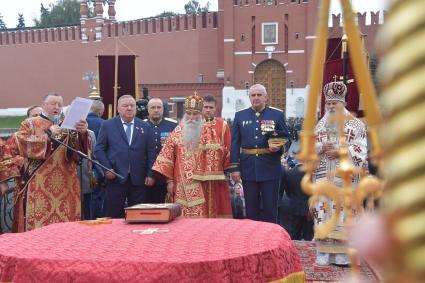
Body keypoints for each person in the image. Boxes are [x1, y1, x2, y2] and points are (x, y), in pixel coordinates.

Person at [14, 93, 89, 231]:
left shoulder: (68, 125)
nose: (57, 107)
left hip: (66, 182)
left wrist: (83, 133)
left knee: (65, 226)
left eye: (60, 104)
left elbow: (77, 153)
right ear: (43, 105)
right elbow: (22, 143)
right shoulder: (30, 123)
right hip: (40, 181)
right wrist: (47, 135)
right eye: (53, 104)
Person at [313, 81, 368, 266]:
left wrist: (340, 151)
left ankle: (343, 254)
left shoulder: (356, 125)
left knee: (343, 216)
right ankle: (324, 253)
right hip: (323, 178)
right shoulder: (320, 125)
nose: (330, 106)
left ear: (343, 103)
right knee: (323, 214)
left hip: (345, 179)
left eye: (334, 103)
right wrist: (320, 147)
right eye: (328, 103)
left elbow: (361, 151)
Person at [152, 94, 232, 218]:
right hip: (181, 185)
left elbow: (220, 155)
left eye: (195, 114)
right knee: (182, 219)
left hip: (203, 184)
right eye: (189, 114)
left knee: (202, 217)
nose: (191, 117)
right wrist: (170, 181)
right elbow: (166, 157)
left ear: (200, 115)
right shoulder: (177, 131)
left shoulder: (208, 132)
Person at [230, 84, 290, 223]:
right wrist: (235, 168)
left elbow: (287, 138)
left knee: (270, 208)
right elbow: (235, 144)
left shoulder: (277, 114)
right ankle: (253, 240)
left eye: (259, 95)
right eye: (253, 95)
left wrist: (279, 148)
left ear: (265, 97)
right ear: (249, 97)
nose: (256, 98)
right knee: (251, 210)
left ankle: (270, 240)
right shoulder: (240, 116)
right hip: (248, 168)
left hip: (270, 167)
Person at [94, 95, 156, 218]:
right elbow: (99, 149)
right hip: (115, 177)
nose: (129, 108)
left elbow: (151, 152)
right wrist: (107, 168)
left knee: (137, 215)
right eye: (125, 106)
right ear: (118, 108)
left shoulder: (145, 126)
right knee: (114, 214)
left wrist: (150, 174)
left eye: (132, 106)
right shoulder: (108, 125)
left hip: (138, 179)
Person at [144, 98, 177, 203]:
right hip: (146, 174)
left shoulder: (173, 125)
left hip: (166, 175)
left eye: (159, 107)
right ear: (148, 110)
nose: (156, 110)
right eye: (153, 107)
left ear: (163, 109)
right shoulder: (141, 125)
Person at [279, 161, 313, 241]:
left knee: (294, 234)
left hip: (294, 206)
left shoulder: (289, 173)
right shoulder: (312, 173)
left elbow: (287, 191)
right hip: (309, 209)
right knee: (308, 236)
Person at [86, 99, 105, 218]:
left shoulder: (79, 122)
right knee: (97, 196)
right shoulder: (104, 124)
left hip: (82, 167)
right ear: (101, 111)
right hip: (98, 167)